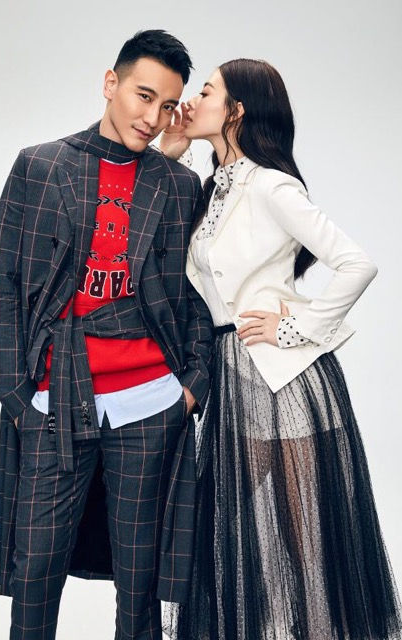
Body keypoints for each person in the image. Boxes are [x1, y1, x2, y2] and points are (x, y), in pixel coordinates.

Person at [160, 59, 402, 639]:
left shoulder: (271, 185)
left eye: (207, 91)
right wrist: (170, 153)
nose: (193, 100)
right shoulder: (211, 189)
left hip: (285, 381)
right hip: (229, 377)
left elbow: (357, 263)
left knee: (304, 544)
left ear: (236, 110)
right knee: (236, 537)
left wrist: (294, 327)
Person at [0, 29, 213, 640]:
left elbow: (195, 294)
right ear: (110, 84)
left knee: (139, 585)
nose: (152, 117)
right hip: (55, 402)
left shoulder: (176, 184)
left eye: (168, 105)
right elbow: (1, 279)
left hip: (149, 403)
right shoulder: (41, 165)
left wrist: (191, 387)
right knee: (35, 573)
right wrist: (16, 396)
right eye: (144, 95)